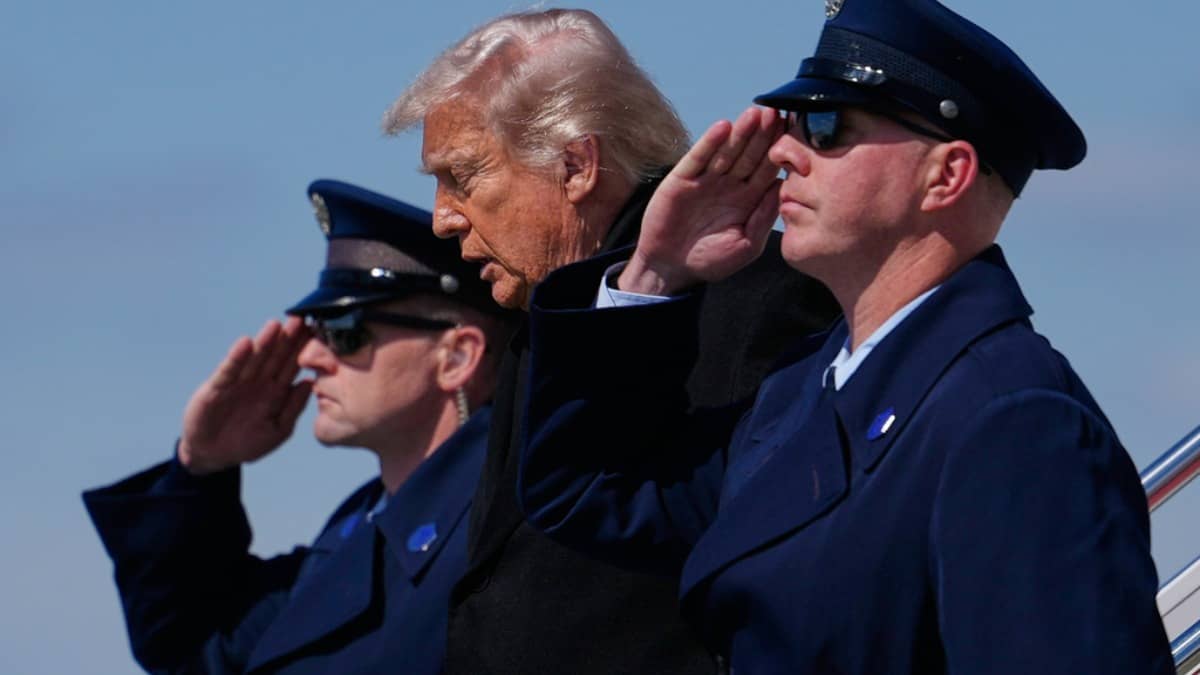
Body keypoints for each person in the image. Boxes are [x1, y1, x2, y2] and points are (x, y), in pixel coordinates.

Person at [516, 0, 1174, 672]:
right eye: (792, 125)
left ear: (946, 175)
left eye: (826, 128)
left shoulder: (1013, 421)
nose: (783, 152)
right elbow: (588, 489)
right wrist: (654, 273)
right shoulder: (802, 390)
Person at [383, 8, 840, 674]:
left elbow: (777, 581)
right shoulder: (545, 322)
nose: (442, 220)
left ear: (576, 166)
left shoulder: (758, 299)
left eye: (463, 177)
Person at [83, 180, 515, 674]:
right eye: (315, 331)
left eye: (344, 332)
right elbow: (191, 649)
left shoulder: (507, 527)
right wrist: (201, 470)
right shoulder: (358, 532)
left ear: (456, 357)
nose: (310, 356)